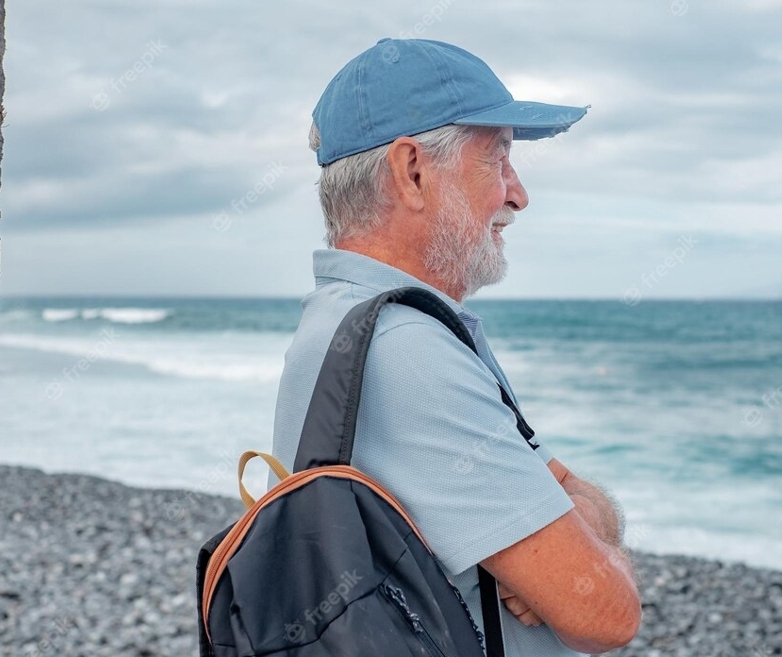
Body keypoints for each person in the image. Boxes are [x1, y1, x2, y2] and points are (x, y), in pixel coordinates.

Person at [269, 38, 641, 655]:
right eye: (497, 160)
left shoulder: (343, 324)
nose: (518, 194)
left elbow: (571, 491)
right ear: (412, 171)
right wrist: (588, 538)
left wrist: (583, 519)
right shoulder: (407, 349)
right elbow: (605, 614)